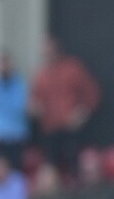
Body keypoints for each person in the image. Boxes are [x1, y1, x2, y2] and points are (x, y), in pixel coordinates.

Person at [29, 35, 102, 176]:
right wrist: (34, 108)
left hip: (71, 131)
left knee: (75, 168)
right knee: (49, 169)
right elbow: (34, 100)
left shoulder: (73, 69)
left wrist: (83, 111)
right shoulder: (41, 75)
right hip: (49, 132)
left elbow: (92, 93)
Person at [0, 50, 31, 168]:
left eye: (6, 63)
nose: (4, 67)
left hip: (16, 141)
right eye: (2, 63)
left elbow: (22, 110)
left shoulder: (20, 87)